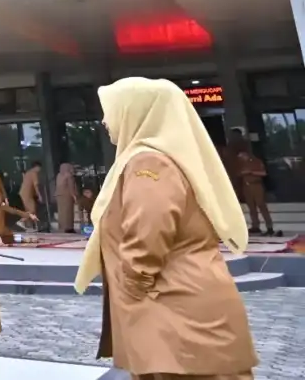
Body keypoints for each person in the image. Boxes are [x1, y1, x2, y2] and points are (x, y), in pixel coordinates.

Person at [75, 77, 258, 379]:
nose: (105, 121)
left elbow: (146, 238)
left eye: (111, 110)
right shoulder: (163, 158)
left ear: (136, 112)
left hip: (175, 310)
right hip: (178, 304)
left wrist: (132, 291)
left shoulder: (149, 163)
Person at [236, 147, 280, 237]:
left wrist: (251, 172)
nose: (240, 158)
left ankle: (269, 227)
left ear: (246, 154)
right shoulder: (241, 163)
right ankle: (255, 226)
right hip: (246, 187)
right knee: (251, 208)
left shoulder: (256, 162)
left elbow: (263, 173)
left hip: (256, 186)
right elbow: (238, 173)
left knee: (262, 206)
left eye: (242, 156)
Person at [19, 161, 44, 226]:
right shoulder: (34, 173)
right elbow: (36, 185)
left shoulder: (28, 173)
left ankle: (29, 226)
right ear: (37, 167)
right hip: (27, 194)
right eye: (39, 168)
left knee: (27, 209)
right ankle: (21, 221)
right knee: (32, 209)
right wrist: (39, 195)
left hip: (23, 193)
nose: (39, 170)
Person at [56, 163, 78, 233]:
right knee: (68, 212)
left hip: (59, 196)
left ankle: (62, 227)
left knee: (61, 212)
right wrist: (74, 196)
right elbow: (71, 187)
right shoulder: (69, 175)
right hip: (67, 196)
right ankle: (69, 228)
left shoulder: (59, 175)